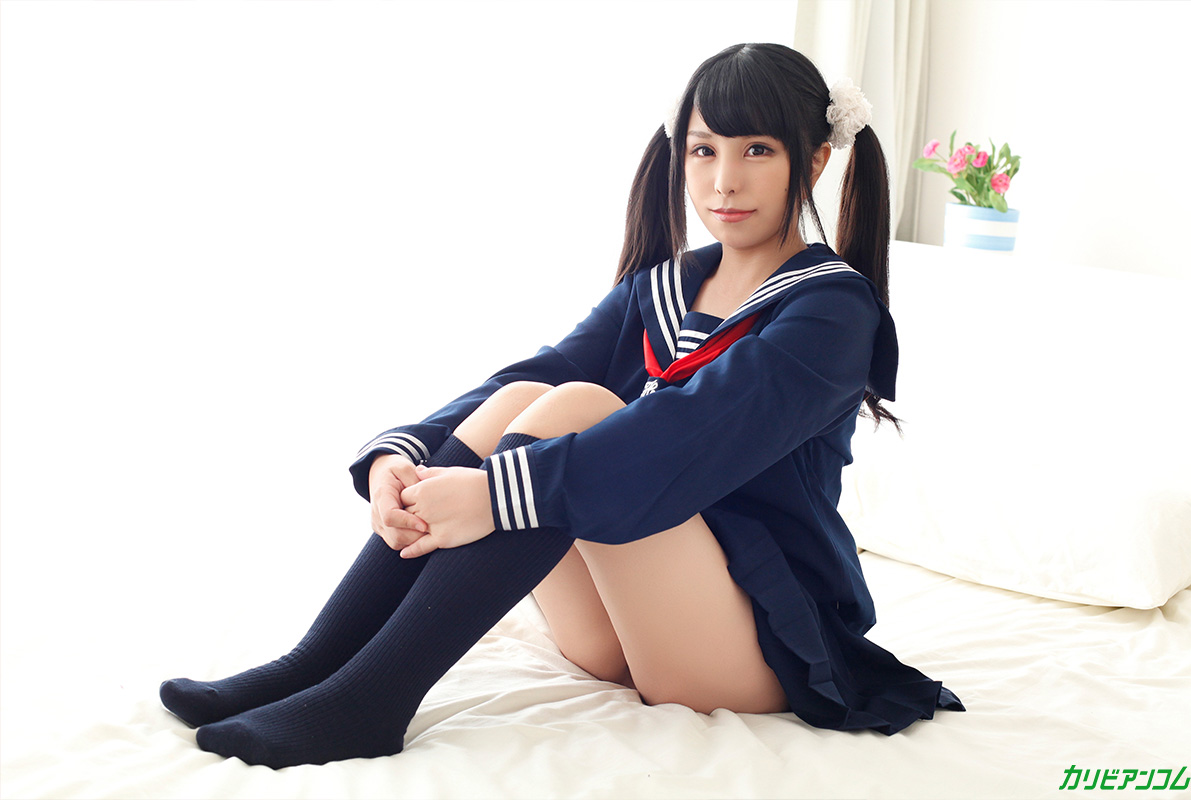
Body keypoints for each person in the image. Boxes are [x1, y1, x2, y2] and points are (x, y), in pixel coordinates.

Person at [160, 41, 964, 769]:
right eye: (703, 149)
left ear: (815, 160)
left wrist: (491, 495)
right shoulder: (665, 287)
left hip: (757, 643)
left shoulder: (831, 310)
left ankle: (369, 702)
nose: (724, 179)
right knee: (528, 395)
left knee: (575, 409)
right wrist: (403, 453)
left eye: (757, 150)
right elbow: (537, 373)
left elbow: (686, 436)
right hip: (628, 630)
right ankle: (317, 665)